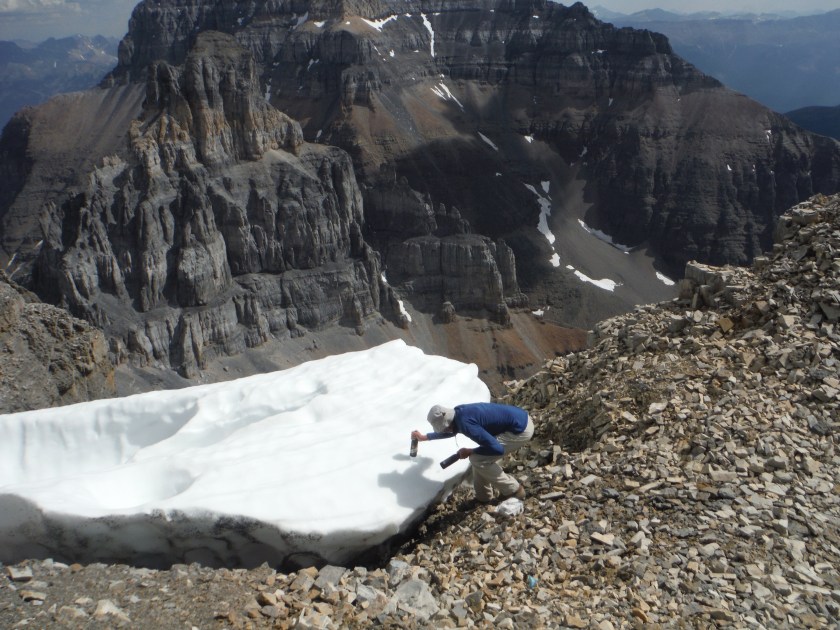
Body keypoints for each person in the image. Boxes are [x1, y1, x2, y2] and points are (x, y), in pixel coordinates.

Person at [411, 402, 534, 507]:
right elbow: (452, 430)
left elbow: (497, 449)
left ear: (448, 421)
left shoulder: (466, 423)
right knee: (479, 459)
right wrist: (425, 437)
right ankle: (483, 498)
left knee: (478, 459)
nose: (445, 430)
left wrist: (471, 451)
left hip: (519, 430)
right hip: (519, 419)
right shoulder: (458, 414)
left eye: (445, 428)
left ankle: (514, 490)